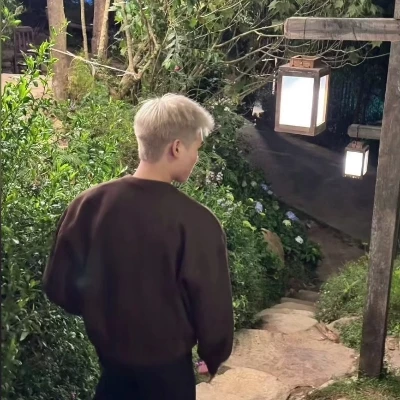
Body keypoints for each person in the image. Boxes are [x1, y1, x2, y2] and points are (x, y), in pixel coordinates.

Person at [43, 93, 234, 400]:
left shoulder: (89, 205)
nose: (196, 158)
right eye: (196, 149)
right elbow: (213, 311)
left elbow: (59, 287)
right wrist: (213, 356)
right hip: (169, 380)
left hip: (111, 370)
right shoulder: (197, 222)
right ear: (176, 148)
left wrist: (103, 315)